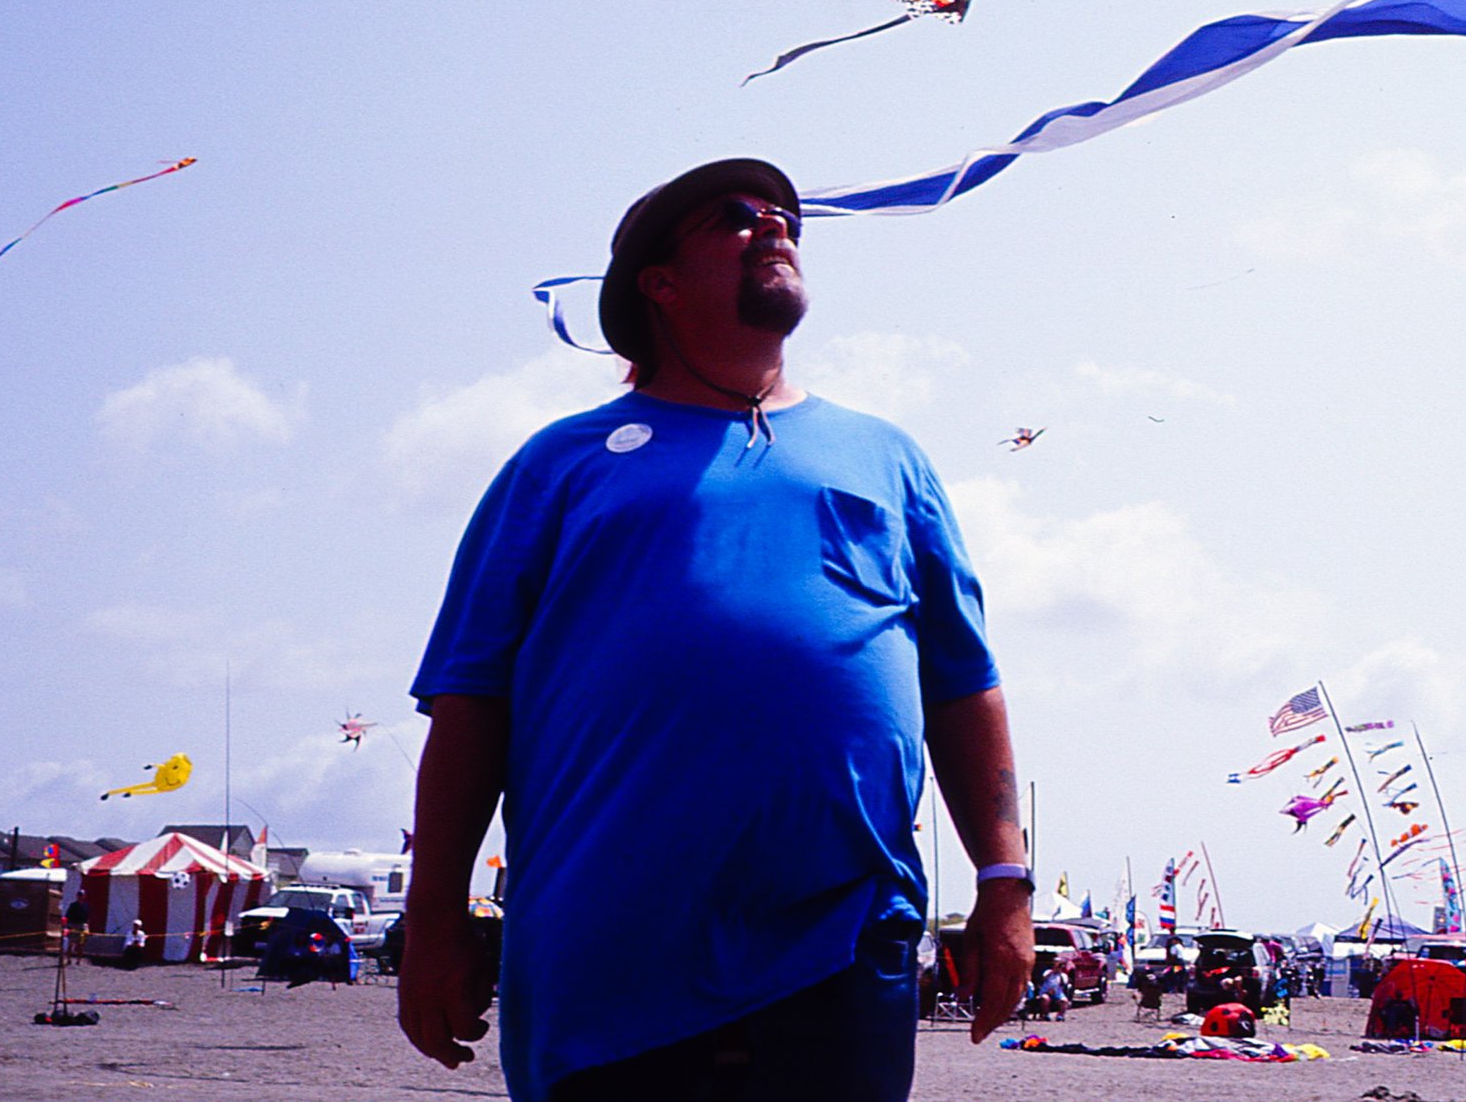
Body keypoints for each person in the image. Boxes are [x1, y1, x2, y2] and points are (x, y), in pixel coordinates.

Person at [396, 159, 1032, 1102]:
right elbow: (470, 701)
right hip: (609, 939)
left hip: (844, 937)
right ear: (658, 282)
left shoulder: (888, 457)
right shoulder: (558, 464)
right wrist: (434, 917)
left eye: (786, 216)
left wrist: (1005, 880)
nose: (774, 223)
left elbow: (962, 683)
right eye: (736, 217)